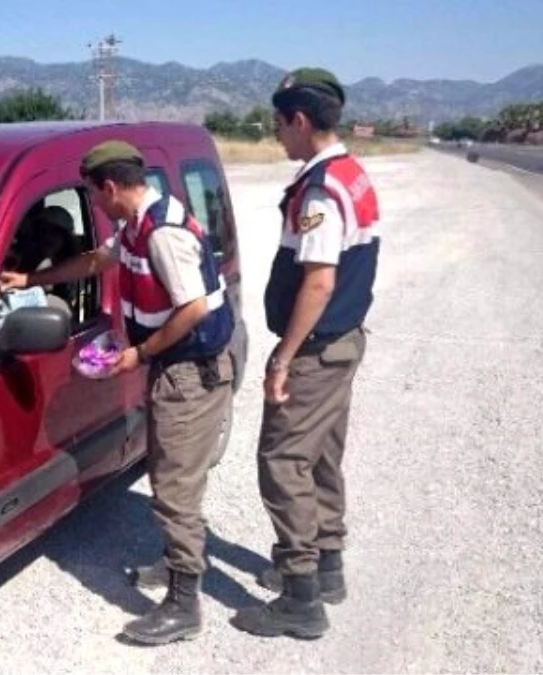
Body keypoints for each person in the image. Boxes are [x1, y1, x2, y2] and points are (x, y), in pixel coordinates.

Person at [0, 140, 236, 645]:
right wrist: (31, 279)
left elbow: (192, 308)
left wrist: (139, 354)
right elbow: (92, 263)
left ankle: (183, 605)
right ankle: (176, 565)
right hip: (174, 366)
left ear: (109, 187)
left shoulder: (163, 233)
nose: (97, 208)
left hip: (191, 370)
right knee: (169, 472)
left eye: (95, 196)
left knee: (174, 487)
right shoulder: (135, 225)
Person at [229, 67, 380, 640]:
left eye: (278, 124)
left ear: (299, 120)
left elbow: (318, 281)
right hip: (343, 343)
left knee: (283, 459)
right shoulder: (352, 173)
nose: (275, 135)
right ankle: (328, 565)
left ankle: (300, 596)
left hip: (318, 349)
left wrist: (283, 357)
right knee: (319, 455)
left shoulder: (319, 190)